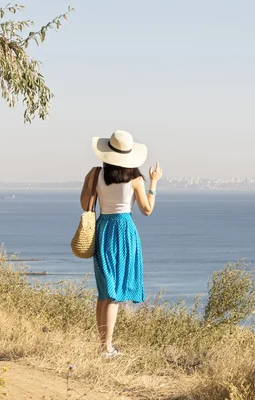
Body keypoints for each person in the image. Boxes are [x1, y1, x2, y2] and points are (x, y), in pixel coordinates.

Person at [80, 130, 162, 358]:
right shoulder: (136, 180)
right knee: (115, 294)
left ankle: (103, 345)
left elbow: (84, 203)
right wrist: (153, 183)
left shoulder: (95, 174)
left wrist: (90, 183)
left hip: (104, 229)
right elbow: (147, 210)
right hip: (125, 231)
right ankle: (107, 348)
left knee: (104, 292)